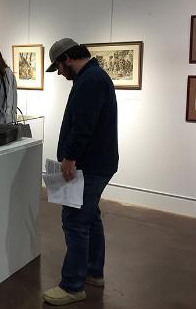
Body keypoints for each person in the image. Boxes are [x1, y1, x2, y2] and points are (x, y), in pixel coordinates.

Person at [42, 38, 119, 306]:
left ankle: (73, 285)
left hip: (90, 164)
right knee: (90, 218)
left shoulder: (90, 80)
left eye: (60, 68)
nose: (61, 74)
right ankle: (93, 272)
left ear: (67, 59)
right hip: (97, 162)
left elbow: (83, 126)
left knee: (75, 221)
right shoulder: (92, 77)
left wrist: (69, 157)